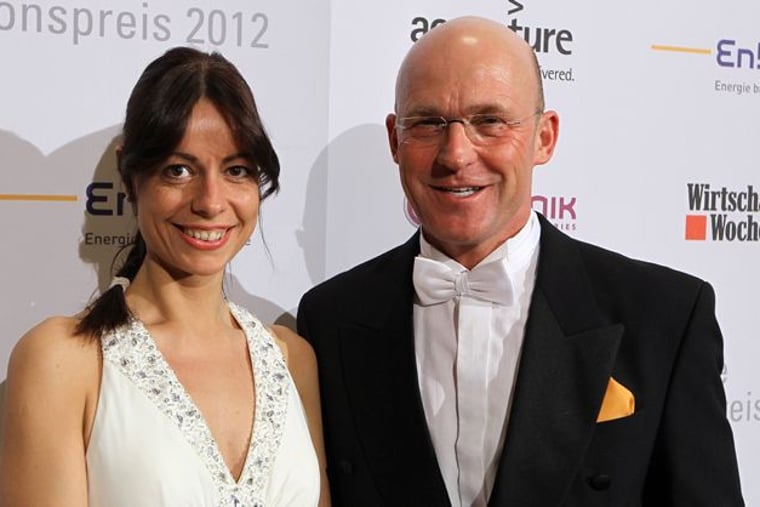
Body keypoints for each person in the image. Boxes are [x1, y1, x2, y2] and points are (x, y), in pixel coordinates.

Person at [297, 16, 744, 506]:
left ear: (544, 137)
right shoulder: (330, 320)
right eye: (428, 123)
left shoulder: (664, 317)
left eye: (489, 121)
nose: (456, 154)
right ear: (394, 141)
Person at [0, 47, 330, 506]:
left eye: (236, 170)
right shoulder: (64, 360)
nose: (210, 201)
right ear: (131, 177)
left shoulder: (293, 359)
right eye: (179, 170)